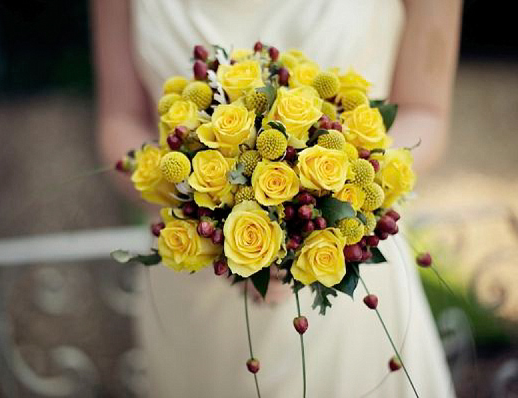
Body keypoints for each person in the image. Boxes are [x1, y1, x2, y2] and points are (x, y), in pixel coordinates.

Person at [92, 0, 462, 396]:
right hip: (190, 272)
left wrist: (329, 203)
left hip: (344, 267)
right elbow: (121, 120)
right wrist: (204, 212)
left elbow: (427, 113)